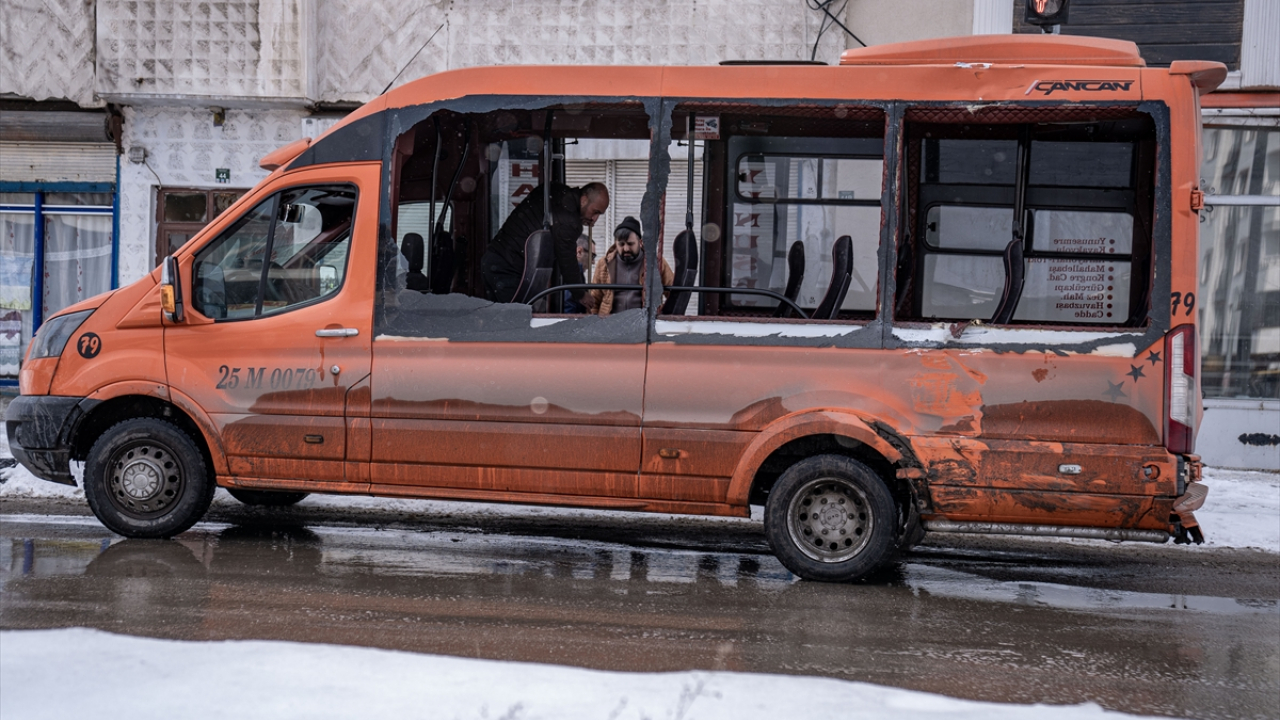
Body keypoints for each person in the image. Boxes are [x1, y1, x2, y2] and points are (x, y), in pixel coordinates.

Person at [481, 181, 609, 305]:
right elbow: (567, 257)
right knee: (514, 321)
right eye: (595, 212)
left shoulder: (555, 190)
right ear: (584, 199)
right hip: (508, 268)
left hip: (495, 259)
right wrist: (580, 294)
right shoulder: (569, 220)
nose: (594, 219)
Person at [589, 216, 673, 317]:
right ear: (616, 243)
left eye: (630, 244)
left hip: (643, 327)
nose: (626, 248)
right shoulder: (604, 264)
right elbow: (594, 299)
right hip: (609, 325)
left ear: (640, 242)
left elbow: (673, 293)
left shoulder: (656, 263)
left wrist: (660, 313)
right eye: (621, 244)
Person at [563, 234, 593, 313]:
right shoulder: (572, 274)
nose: (593, 262)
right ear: (579, 252)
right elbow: (569, 308)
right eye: (592, 256)